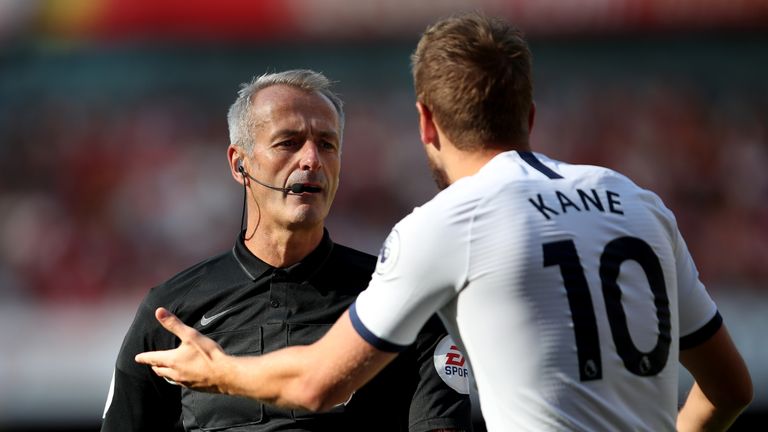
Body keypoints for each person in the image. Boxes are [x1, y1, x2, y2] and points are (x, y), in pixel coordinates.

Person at [135, 13, 754, 432]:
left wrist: (217, 371)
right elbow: (731, 389)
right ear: (529, 113)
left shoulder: (449, 224)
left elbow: (318, 385)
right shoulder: (637, 202)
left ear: (427, 123)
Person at [101, 69, 472, 431]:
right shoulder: (171, 312)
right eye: (288, 143)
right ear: (239, 163)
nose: (312, 160)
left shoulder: (400, 298)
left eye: (327, 144)